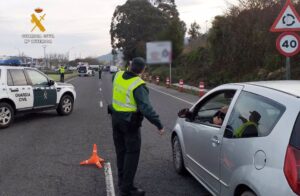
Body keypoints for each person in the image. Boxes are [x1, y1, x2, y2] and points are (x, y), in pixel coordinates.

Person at [109, 57, 164, 196]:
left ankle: (121, 182)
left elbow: (115, 83)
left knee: (121, 152)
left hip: (116, 120)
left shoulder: (118, 75)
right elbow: (146, 108)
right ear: (143, 70)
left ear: (130, 65)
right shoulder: (138, 85)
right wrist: (159, 125)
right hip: (129, 124)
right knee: (131, 154)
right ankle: (127, 188)